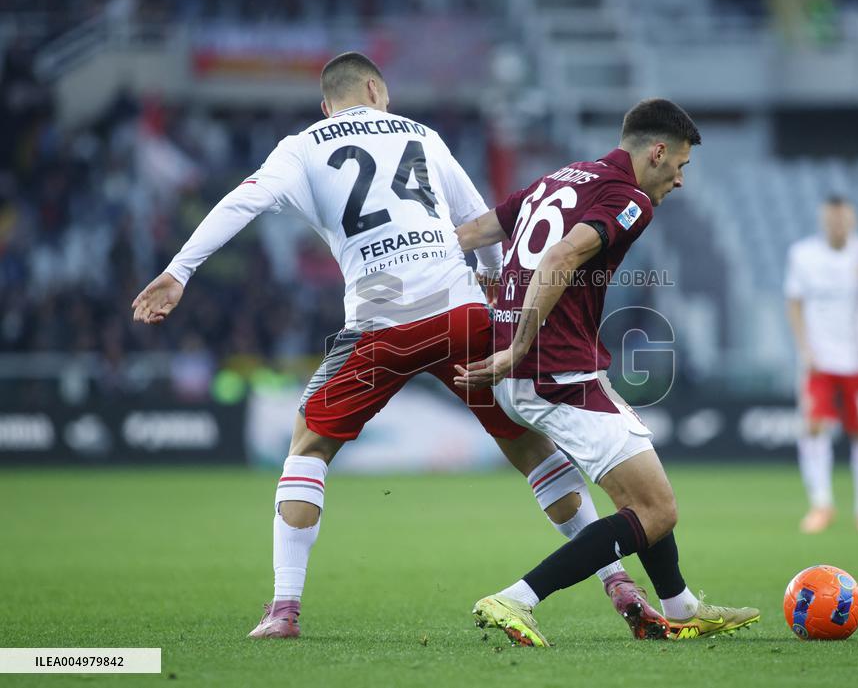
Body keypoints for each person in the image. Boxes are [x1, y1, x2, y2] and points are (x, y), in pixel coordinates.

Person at [131, 52, 662, 640]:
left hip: (380, 325)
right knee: (532, 450)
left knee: (308, 443)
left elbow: (243, 201)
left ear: (327, 105)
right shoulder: (423, 136)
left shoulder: (303, 145)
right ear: (376, 89)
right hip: (461, 315)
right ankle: (617, 582)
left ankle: (283, 609)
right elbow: (481, 220)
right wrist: (493, 285)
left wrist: (179, 271)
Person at [453, 98, 759, 646]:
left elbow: (476, 230)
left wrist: (415, 268)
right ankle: (516, 599)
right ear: (658, 152)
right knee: (657, 508)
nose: (682, 180)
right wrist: (517, 348)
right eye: (682, 165)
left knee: (642, 496)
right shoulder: (631, 198)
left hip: (539, 369)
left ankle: (680, 605)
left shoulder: (561, 178)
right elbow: (559, 260)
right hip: (555, 372)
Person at [785, 195, 858, 535]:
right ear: (823, 220)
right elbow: (794, 303)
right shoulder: (803, 255)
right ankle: (821, 504)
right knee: (815, 426)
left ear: (854, 220)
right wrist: (804, 349)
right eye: (832, 218)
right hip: (819, 361)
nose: (837, 224)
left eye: (843, 218)